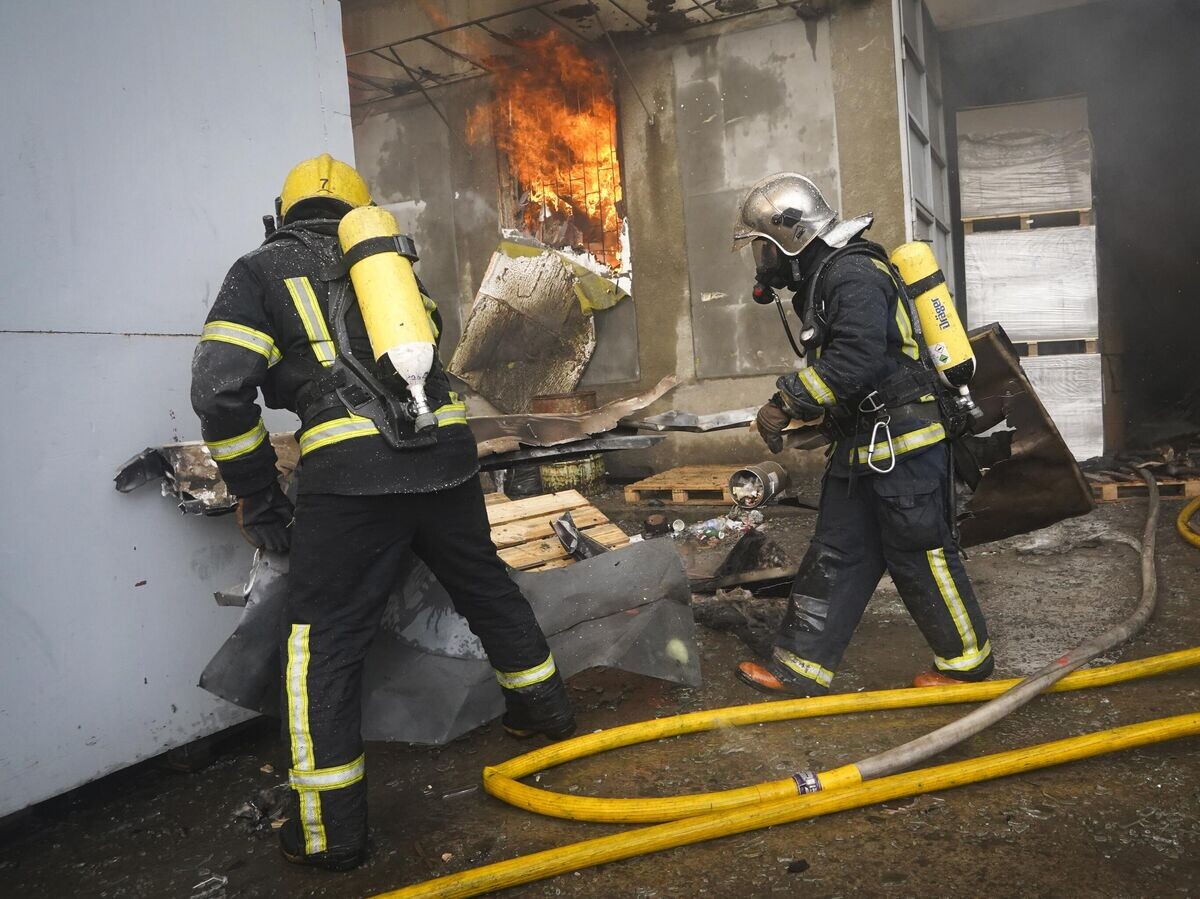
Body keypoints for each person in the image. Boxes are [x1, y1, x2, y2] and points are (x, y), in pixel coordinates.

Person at [190, 154, 575, 871]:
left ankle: (329, 833)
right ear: (359, 214)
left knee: (324, 643)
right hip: (447, 456)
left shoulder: (260, 270)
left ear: (282, 216)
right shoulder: (392, 265)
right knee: (485, 586)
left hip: (352, 478)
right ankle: (547, 716)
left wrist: (258, 492)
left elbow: (219, 390)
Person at [730, 172, 993, 698]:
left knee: (920, 552)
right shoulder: (825, 279)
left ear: (792, 235)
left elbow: (857, 359)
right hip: (864, 446)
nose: (763, 262)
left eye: (764, 246)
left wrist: (786, 403)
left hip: (906, 447)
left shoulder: (853, 274)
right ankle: (801, 667)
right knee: (837, 550)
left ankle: (967, 666)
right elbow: (852, 372)